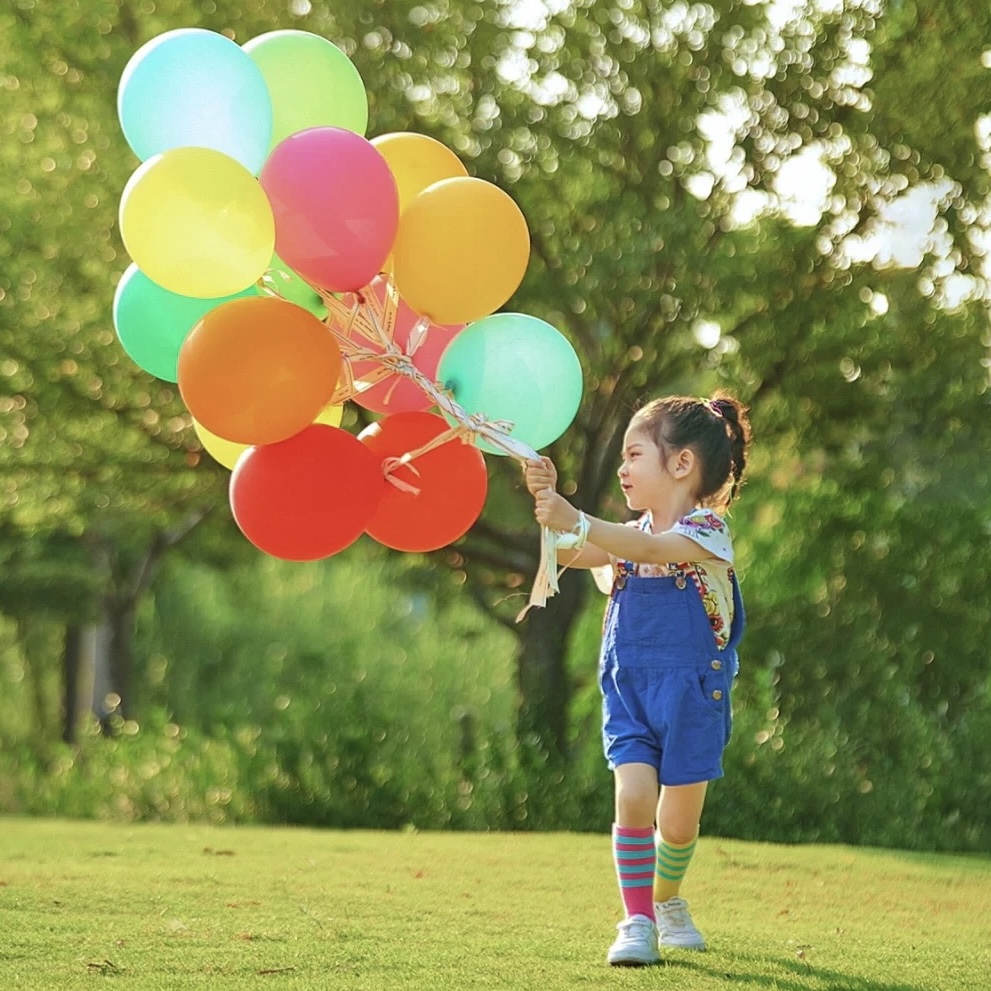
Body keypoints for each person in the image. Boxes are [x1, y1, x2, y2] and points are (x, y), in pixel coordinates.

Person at [524, 392, 752, 967]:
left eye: (633, 455)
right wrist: (549, 504)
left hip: (694, 695)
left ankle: (667, 899)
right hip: (629, 690)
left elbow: (649, 547)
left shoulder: (706, 533)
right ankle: (638, 920)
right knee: (632, 796)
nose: (622, 469)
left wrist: (576, 519)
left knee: (677, 825)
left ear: (680, 464)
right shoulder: (623, 538)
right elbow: (576, 553)